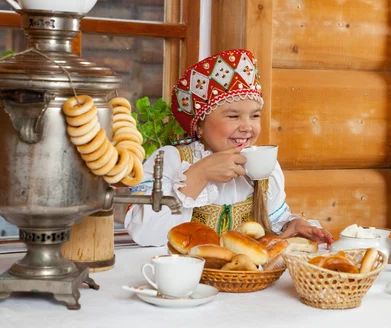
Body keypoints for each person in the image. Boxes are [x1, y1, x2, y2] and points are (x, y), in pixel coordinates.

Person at [125, 49, 334, 247]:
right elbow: (144, 234)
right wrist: (200, 175)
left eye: (255, 116)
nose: (247, 127)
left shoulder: (266, 167)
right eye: (233, 116)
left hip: (244, 282)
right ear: (199, 125)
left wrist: (292, 225)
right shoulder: (171, 160)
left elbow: (275, 220)